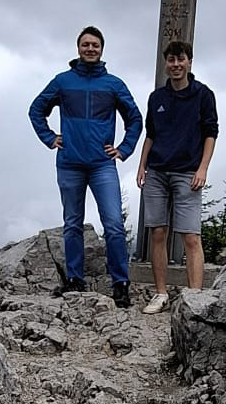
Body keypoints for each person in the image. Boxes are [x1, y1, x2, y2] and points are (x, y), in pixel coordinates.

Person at [28, 26, 143, 308]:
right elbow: (36, 110)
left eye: (95, 45)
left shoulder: (114, 84)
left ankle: (121, 283)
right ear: (78, 48)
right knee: (72, 224)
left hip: (103, 164)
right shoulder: (63, 82)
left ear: (102, 49)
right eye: (85, 45)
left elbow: (136, 119)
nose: (90, 49)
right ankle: (75, 279)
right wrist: (49, 137)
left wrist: (124, 149)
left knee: (114, 224)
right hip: (69, 163)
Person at [136, 40, 218, 313]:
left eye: (180, 59)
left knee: (191, 236)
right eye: (171, 60)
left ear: (189, 62)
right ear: (166, 63)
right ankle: (160, 294)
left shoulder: (203, 95)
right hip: (157, 170)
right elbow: (151, 134)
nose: (175, 65)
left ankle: (195, 297)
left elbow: (211, 133)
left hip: (187, 172)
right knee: (157, 232)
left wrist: (203, 168)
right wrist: (141, 166)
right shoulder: (156, 98)